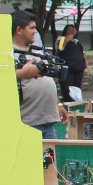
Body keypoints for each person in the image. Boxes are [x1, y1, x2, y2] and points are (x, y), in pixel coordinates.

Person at [13, 11, 66, 140]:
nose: (35, 31)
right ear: (19, 30)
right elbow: (0, 79)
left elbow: (48, 79)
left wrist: (58, 104)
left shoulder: (37, 52)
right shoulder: (9, 54)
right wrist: (23, 73)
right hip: (28, 123)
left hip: (48, 121)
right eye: (31, 28)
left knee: (50, 160)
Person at [56, 23, 86, 102]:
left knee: (77, 88)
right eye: (69, 29)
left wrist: (84, 63)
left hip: (79, 67)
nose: (71, 31)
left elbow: (82, 53)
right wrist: (72, 34)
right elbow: (60, 47)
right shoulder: (60, 39)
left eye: (73, 29)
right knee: (67, 89)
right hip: (68, 68)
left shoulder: (77, 42)